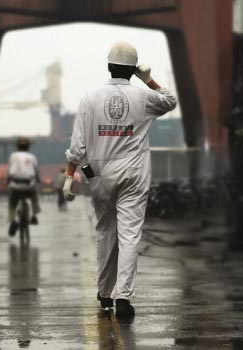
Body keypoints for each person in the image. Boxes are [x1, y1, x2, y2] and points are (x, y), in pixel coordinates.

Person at [63, 42, 177, 317]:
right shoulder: (143, 97)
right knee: (129, 235)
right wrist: (147, 78)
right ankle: (123, 298)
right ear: (132, 70)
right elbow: (170, 100)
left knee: (105, 232)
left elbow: (78, 145)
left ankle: (104, 294)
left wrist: (69, 174)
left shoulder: (89, 97)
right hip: (134, 173)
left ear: (108, 66)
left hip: (99, 174)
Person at [7, 137, 41, 236]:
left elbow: (9, 172)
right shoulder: (32, 157)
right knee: (34, 197)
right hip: (29, 185)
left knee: (12, 203)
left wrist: (7, 181)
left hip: (16, 185)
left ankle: (12, 220)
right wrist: (38, 179)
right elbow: (36, 171)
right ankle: (34, 216)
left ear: (17, 146)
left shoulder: (13, 156)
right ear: (28, 147)